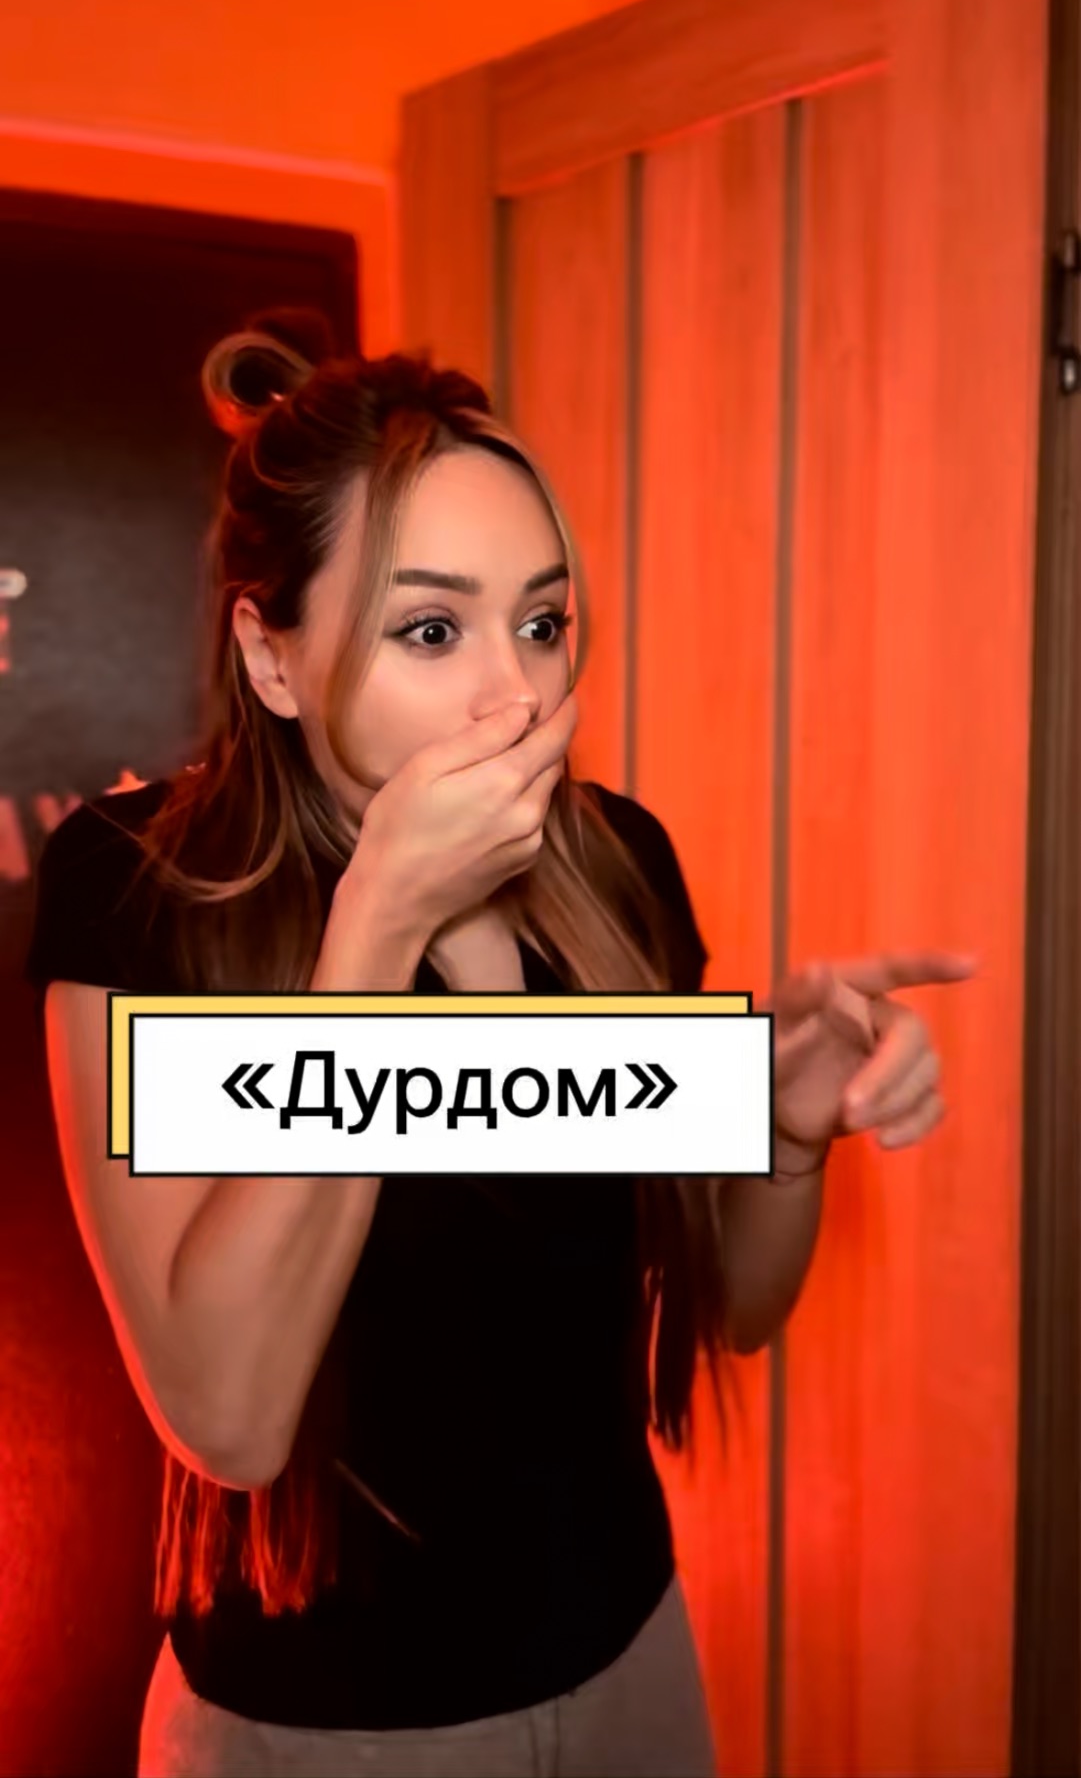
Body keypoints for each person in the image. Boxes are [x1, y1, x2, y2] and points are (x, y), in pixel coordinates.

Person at [24, 311, 976, 1778]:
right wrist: (376, 930)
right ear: (271, 659)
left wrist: (784, 1130)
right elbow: (228, 1417)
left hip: (627, 1667)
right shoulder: (134, 888)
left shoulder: (616, 866)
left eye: (540, 624)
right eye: (430, 631)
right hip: (315, 1731)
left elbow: (734, 1303)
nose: (516, 697)